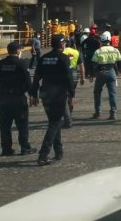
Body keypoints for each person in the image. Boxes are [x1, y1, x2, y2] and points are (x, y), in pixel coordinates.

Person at [30, 34, 75, 166]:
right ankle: (43, 155)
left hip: (45, 94)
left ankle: (58, 150)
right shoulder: (63, 58)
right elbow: (68, 77)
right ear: (61, 44)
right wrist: (72, 94)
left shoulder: (43, 58)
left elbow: (36, 77)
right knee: (55, 123)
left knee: (54, 120)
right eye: (64, 43)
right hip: (58, 94)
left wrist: (33, 94)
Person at [0, 41, 36, 156]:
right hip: (18, 98)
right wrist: (32, 95)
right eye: (20, 50)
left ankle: (6, 149)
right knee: (22, 125)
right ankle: (25, 148)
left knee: (5, 125)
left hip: (4, 98)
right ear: (17, 51)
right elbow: (28, 81)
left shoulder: (0, 64)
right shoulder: (21, 64)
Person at [91, 31, 121, 120]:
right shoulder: (115, 50)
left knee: (97, 92)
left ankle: (98, 112)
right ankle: (113, 112)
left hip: (101, 72)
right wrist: (118, 72)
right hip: (111, 72)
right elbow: (119, 62)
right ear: (109, 40)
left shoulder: (98, 51)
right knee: (112, 93)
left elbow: (93, 63)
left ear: (101, 40)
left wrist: (94, 73)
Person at [61, 38, 85, 128]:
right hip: (74, 74)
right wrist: (83, 77)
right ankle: (70, 113)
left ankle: (65, 115)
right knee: (72, 95)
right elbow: (81, 65)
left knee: (63, 96)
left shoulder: (62, 53)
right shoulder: (76, 52)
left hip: (64, 75)